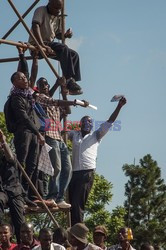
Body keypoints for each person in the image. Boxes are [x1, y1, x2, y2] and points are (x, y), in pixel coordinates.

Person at [68, 97, 127, 225]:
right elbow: (61, 130)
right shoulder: (74, 135)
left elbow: (110, 122)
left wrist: (119, 106)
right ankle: (72, 228)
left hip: (86, 173)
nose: (87, 124)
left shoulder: (96, 135)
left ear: (92, 124)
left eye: (89, 122)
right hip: (74, 173)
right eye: (84, 121)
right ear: (80, 124)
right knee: (71, 204)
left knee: (78, 203)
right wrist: (71, 106)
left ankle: (77, 230)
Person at [36, 77, 88, 208]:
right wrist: (77, 102)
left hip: (59, 137)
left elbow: (67, 111)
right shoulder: (39, 98)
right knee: (56, 167)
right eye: (41, 84)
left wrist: (64, 91)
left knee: (68, 168)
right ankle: (52, 196)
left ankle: (59, 198)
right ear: (38, 87)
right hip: (49, 136)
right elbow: (53, 100)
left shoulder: (54, 104)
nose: (45, 86)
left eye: (46, 83)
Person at [5, 71, 45, 202]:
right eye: (20, 78)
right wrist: (38, 133)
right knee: (21, 161)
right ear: (15, 82)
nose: (25, 79)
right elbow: (24, 117)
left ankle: (26, 193)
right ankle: (19, 192)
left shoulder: (28, 96)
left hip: (33, 132)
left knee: (32, 164)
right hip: (23, 133)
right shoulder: (16, 98)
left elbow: (32, 72)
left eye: (24, 77)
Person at [29, 0, 83, 95]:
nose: (58, 11)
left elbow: (57, 34)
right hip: (37, 44)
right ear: (49, 4)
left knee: (74, 55)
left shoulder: (58, 16)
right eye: (56, 8)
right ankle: (69, 80)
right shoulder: (41, 10)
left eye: (59, 9)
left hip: (49, 45)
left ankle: (72, 81)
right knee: (63, 48)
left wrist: (65, 35)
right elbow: (35, 25)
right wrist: (41, 45)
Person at [0, 130, 25, 243]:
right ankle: (2, 235)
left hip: (14, 191)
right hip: (2, 191)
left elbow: (10, 157)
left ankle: (21, 244)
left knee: (20, 223)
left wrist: (3, 141)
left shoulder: (11, 156)